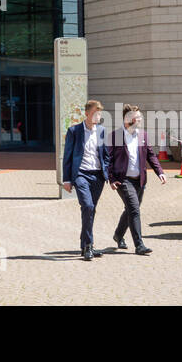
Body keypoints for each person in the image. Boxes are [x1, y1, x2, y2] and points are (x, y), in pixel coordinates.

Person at [106, 104, 166, 255]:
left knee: (130, 209)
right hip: (123, 179)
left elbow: (151, 155)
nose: (140, 119)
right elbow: (108, 160)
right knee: (134, 209)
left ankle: (118, 235)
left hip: (140, 180)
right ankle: (139, 245)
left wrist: (160, 172)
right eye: (137, 117)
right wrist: (111, 179)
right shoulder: (115, 136)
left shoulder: (143, 135)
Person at [62, 100, 111, 261]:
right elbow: (67, 157)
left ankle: (85, 246)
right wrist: (67, 179)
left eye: (100, 114)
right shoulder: (74, 131)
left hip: (97, 176)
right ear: (87, 113)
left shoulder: (102, 131)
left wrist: (109, 175)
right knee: (88, 206)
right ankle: (89, 246)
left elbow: (106, 155)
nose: (98, 116)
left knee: (90, 210)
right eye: (96, 113)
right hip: (81, 175)